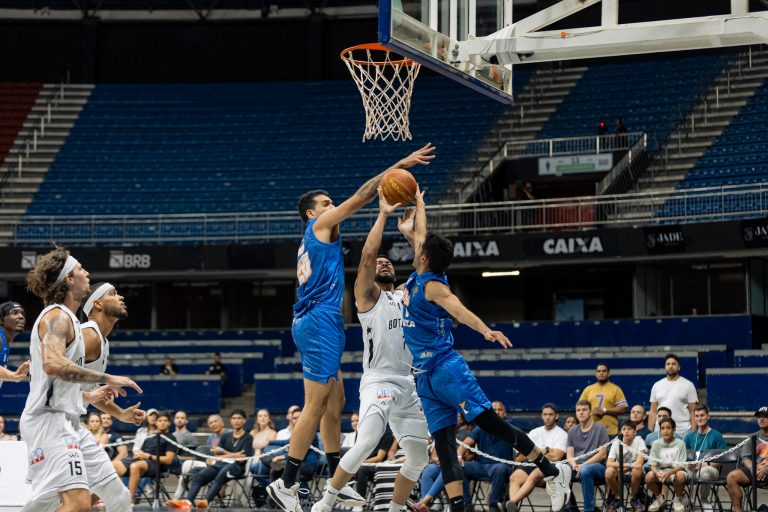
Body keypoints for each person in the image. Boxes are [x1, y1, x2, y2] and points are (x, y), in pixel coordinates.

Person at [267, 143, 436, 512]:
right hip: (318, 322)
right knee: (315, 404)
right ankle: (286, 482)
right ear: (311, 212)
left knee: (336, 402)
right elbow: (362, 195)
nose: (332, 206)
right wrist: (400, 166)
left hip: (323, 321)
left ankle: (335, 478)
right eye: (326, 203)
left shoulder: (322, 237)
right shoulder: (320, 224)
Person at [398, 188, 571, 512]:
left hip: (446, 368)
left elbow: (459, 310)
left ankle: (551, 472)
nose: (416, 244)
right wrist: (420, 205)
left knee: (492, 423)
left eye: (418, 246)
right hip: (424, 376)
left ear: (423, 258)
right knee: (446, 449)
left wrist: (486, 330)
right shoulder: (421, 269)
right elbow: (421, 237)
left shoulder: (433, 285)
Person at [312, 187, 431, 512]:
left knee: (419, 457)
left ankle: (394, 509)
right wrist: (382, 214)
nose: (382, 263)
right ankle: (327, 500)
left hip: (412, 383)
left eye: (388, 262)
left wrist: (417, 212)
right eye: (379, 262)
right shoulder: (368, 298)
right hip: (379, 379)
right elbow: (366, 257)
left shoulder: (408, 292)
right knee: (366, 441)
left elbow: (424, 256)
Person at [19, 248, 141, 512]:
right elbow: (52, 365)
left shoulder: (71, 320)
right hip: (48, 420)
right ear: (69, 280)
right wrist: (108, 378)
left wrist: (91, 397)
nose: (86, 273)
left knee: (115, 496)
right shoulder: (59, 317)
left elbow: (60, 383)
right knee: (77, 504)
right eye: (80, 269)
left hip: (68, 419)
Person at [79, 282, 147, 512]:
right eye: (113, 293)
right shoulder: (89, 335)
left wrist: (120, 414)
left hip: (71, 425)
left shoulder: (102, 341)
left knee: (118, 498)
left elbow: (91, 393)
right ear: (97, 304)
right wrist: (106, 381)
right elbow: (55, 379)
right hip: (55, 423)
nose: (121, 297)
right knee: (59, 501)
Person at [169, 409, 254, 509]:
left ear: (244, 420)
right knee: (200, 476)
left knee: (222, 473)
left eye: (239, 418)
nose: (236, 420)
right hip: (221, 464)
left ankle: (206, 501)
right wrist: (232, 455)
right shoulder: (225, 436)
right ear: (230, 421)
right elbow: (218, 455)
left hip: (237, 468)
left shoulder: (248, 437)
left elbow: (243, 458)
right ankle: (188, 501)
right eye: (234, 418)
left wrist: (224, 454)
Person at [506, 403, 568, 512]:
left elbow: (557, 456)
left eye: (550, 414)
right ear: (541, 416)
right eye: (545, 414)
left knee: (534, 475)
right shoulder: (534, 432)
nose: (547, 417)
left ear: (556, 416)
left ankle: (512, 503)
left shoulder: (562, 434)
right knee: (514, 478)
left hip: (549, 468)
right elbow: (519, 457)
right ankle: (513, 507)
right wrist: (546, 450)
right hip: (531, 464)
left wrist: (534, 451)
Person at [458, 401, 515, 511]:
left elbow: (522, 453)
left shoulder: (511, 429)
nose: (497, 412)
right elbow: (465, 444)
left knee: (500, 468)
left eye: (500, 410)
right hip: (481, 466)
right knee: (462, 468)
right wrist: (459, 456)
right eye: (494, 410)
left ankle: (493, 505)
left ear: (505, 413)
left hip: (502, 467)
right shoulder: (480, 428)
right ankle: (466, 505)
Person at [113, 411, 178, 503]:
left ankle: (130, 500)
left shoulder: (171, 438)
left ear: (169, 423)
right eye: (160, 420)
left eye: (165, 420)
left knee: (135, 466)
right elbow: (142, 452)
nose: (162, 422)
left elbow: (168, 460)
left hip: (156, 465)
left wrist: (149, 456)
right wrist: (139, 454)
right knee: (113, 465)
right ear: (156, 422)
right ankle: (112, 496)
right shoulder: (149, 438)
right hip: (142, 461)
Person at [172, 414, 231, 500]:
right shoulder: (211, 437)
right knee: (187, 465)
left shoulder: (229, 434)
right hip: (209, 464)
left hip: (225, 464)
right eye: (210, 423)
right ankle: (178, 497)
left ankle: (181, 496)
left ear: (222, 423)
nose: (213, 424)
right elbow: (206, 455)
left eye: (215, 421)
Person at [566, 400, 609, 512]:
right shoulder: (572, 431)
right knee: (560, 471)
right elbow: (569, 454)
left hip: (597, 466)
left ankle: (588, 509)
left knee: (585, 470)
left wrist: (583, 465)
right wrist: (575, 466)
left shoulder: (600, 428)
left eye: (584, 410)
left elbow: (602, 454)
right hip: (577, 466)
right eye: (578, 410)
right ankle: (569, 507)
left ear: (590, 412)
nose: (581, 412)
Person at [683, 404, 727, 511]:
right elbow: (683, 456)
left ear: (708, 416)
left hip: (710, 470)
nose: (699, 418)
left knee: (705, 472)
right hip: (692, 469)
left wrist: (705, 464)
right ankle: (685, 500)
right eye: (697, 416)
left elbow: (723, 458)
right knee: (680, 474)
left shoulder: (716, 435)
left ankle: (704, 499)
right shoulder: (689, 436)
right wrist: (688, 463)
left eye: (702, 415)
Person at [726, 406, 768, 512]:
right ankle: (738, 510)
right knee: (732, 477)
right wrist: (752, 467)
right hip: (755, 470)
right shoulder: (753, 437)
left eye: (765, 416)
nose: (761, 419)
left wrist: (766, 468)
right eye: (759, 417)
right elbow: (745, 457)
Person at [646, 418, 689, 512]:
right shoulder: (656, 444)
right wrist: (657, 473)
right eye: (663, 428)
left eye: (668, 428)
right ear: (660, 430)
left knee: (681, 476)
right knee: (648, 476)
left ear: (674, 429)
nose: (665, 431)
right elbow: (652, 465)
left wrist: (670, 472)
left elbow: (682, 465)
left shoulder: (681, 443)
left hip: (676, 470)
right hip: (661, 471)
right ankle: (659, 499)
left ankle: (677, 500)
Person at [647, 353, 698, 434]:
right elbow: (653, 411)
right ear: (665, 367)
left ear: (679, 367)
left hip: (682, 429)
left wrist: (694, 432)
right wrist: (649, 432)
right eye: (668, 364)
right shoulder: (656, 385)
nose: (670, 366)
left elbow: (693, 411)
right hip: (661, 429)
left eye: (673, 364)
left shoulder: (689, 385)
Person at [604, 420, 646, 512]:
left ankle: (633, 497)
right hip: (620, 469)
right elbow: (609, 463)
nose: (626, 431)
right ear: (621, 432)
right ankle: (618, 496)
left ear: (635, 432)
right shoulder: (616, 442)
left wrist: (628, 466)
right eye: (624, 429)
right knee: (609, 471)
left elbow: (639, 463)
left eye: (629, 429)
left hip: (634, 470)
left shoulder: (639, 441)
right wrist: (626, 465)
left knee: (636, 470)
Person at [579, 363, 628, 436]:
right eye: (599, 371)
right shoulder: (588, 389)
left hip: (610, 432)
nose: (601, 373)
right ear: (595, 374)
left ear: (609, 373)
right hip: (590, 431)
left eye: (604, 371)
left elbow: (622, 409)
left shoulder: (616, 389)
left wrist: (604, 411)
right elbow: (580, 407)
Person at [0, 300, 30, 385]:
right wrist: (13, 376)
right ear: (1, 320)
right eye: (15, 313)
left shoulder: (5, 342)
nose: (21, 317)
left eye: (22, 313)